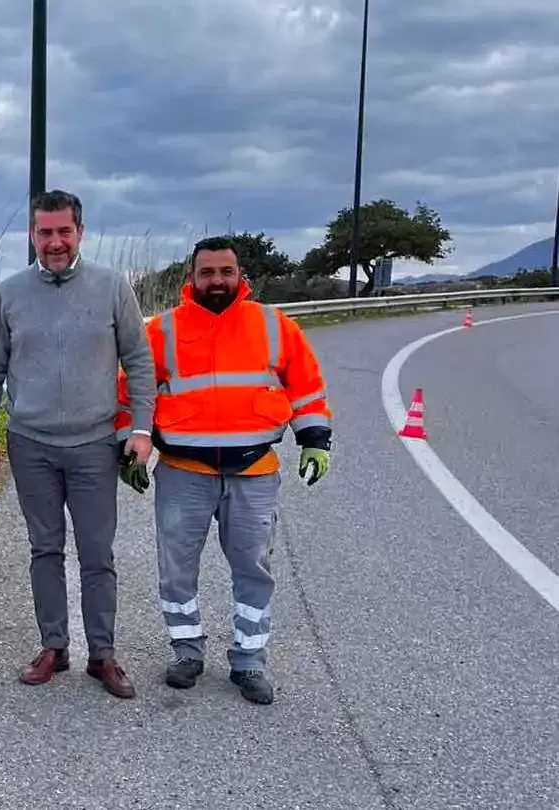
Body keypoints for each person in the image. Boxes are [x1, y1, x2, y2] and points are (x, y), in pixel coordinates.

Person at [114, 235, 332, 705]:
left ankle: (250, 660)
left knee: (254, 568)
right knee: (176, 568)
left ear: (240, 276)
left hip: (254, 472)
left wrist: (315, 439)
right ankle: (186, 651)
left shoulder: (274, 326)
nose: (217, 280)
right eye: (207, 272)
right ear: (191, 278)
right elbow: (130, 395)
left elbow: (307, 388)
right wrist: (127, 449)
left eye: (225, 272)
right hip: (183, 471)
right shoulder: (162, 331)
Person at [0, 189, 156, 699]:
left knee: (96, 553)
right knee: (45, 549)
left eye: (63, 232)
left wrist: (142, 428)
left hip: (95, 445)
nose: (54, 242)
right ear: (32, 235)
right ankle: (53, 646)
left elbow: (139, 361)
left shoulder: (112, 287)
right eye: (44, 232)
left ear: (80, 232)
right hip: (31, 444)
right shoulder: (9, 294)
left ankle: (103, 655)